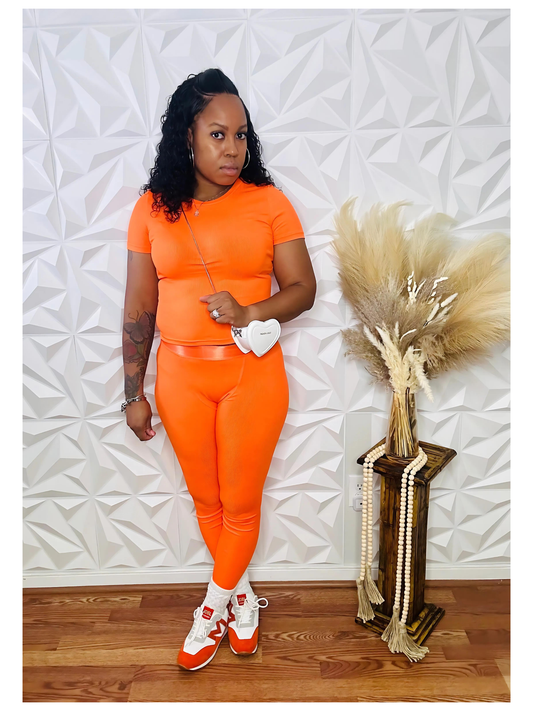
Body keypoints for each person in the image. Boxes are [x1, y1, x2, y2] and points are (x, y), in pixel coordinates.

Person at [122, 68, 316, 671]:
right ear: (187, 137)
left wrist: (250, 310)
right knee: (206, 502)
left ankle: (211, 610)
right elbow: (139, 305)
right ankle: (243, 598)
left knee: (241, 504)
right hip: (179, 377)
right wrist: (132, 392)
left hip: (250, 374)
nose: (233, 149)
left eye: (241, 135)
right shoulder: (150, 209)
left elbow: (304, 288)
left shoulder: (269, 203)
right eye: (218, 134)